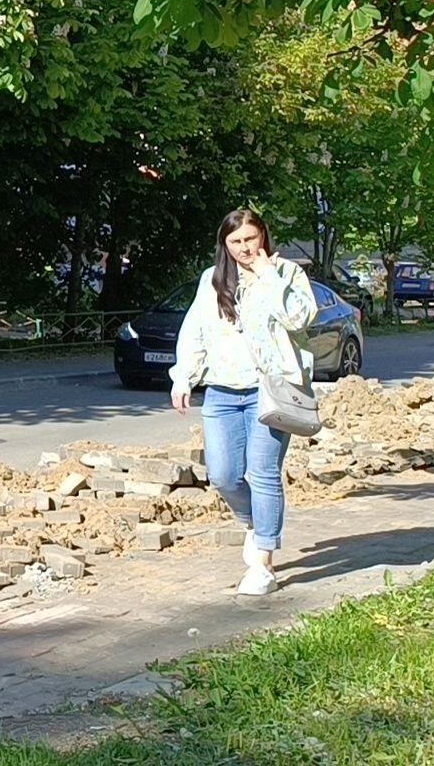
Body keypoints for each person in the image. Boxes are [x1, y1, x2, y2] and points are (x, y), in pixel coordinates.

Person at [168, 208, 316, 596]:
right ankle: (254, 521)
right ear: (225, 245)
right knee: (222, 475)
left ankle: (264, 563)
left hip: (271, 390)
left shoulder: (287, 274)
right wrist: (183, 376)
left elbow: (300, 319)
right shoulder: (213, 280)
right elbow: (196, 330)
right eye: (236, 242)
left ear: (263, 236)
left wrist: (268, 276)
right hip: (221, 391)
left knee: (264, 472)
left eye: (251, 238)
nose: (245, 247)